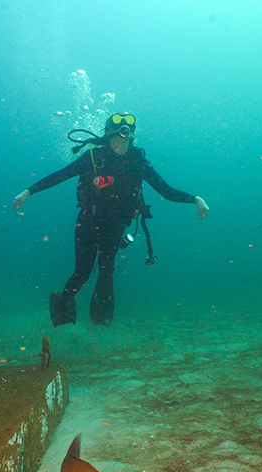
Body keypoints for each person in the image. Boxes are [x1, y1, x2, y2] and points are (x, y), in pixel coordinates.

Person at [12, 113, 209, 326]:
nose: (123, 132)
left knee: (107, 271)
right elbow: (61, 175)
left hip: (115, 224)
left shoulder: (138, 160)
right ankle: (64, 314)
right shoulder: (93, 156)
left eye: (128, 128)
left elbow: (166, 190)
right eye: (118, 128)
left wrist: (195, 199)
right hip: (88, 221)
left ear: (132, 135)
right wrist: (28, 192)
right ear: (108, 133)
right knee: (82, 272)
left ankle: (101, 325)